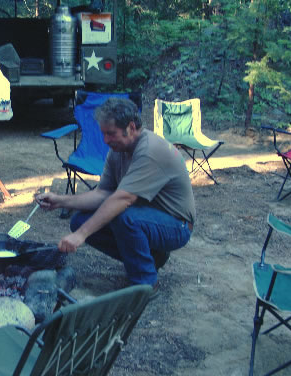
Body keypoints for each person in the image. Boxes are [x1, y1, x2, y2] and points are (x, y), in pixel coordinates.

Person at [36, 97, 195, 289]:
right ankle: (151, 257)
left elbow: (123, 199)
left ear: (131, 127)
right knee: (80, 220)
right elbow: (103, 193)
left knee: (124, 217)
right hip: (147, 217)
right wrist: (61, 201)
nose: (106, 140)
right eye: (104, 134)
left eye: (111, 133)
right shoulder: (118, 150)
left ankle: (145, 284)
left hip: (177, 225)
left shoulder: (150, 150)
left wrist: (81, 235)